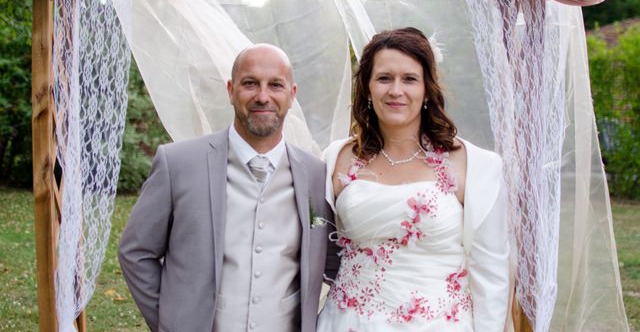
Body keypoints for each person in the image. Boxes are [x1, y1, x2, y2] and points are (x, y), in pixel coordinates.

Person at [118, 44, 337, 332]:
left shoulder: (315, 173)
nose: (262, 96)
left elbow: (332, 258)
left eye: (275, 85)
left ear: (292, 95)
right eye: (250, 84)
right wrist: (169, 322)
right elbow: (136, 251)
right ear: (231, 90)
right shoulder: (178, 163)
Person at [316, 27, 510, 331]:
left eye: (409, 79)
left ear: (426, 89)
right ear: (367, 88)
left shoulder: (476, 165)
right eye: (384, 78)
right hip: (348, 322)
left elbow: (491, 275)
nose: (396, 90)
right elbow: (314, 242)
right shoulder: (335, 159)